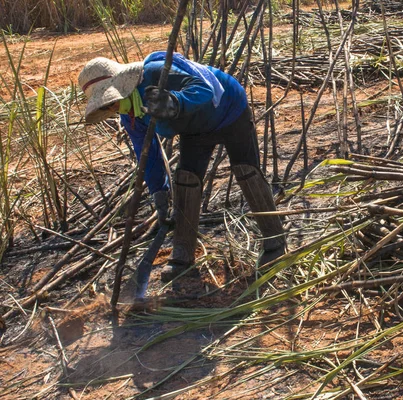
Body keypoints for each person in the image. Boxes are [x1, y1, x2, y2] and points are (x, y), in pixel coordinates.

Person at [78, 52, 286, 282]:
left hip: (228, 110)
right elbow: (147, 155)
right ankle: (183, 254)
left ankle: (274, 240)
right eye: (108, 107)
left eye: (112, 102)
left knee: (247, 172)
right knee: (186, 179)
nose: (114, 109)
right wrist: (159, 192)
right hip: (195, 130)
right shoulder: (131, 116)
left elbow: (204, 90)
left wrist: (174, 102)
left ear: (122, 85)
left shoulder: (157, 73)